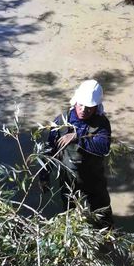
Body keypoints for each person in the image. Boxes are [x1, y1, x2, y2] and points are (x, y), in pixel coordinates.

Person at [43, 79, 113, 226]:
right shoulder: (61, 122)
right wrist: (44, 176)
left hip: (94, 180)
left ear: (96, 107)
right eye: (81, 104)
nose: (83, 109)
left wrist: (78, 137)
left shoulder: (101, 124)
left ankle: (108, 239)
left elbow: (104, 147)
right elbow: (49, 151)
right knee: (70, 215)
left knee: (102, 213)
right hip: (68, 180)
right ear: (75, 102)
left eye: (89, 107)